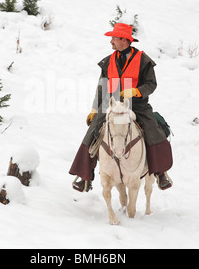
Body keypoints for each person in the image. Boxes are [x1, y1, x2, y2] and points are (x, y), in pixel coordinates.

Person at [69, 23, 173, 192]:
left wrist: (136, 91)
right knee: (92, 132)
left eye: (114, 38)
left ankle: (161, 173)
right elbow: (102, 87)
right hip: (111, 104)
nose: (111, 42)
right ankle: (85, 177)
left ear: (124, 40)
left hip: (138, 105)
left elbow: (151, 84)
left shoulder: (143, 60)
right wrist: (95, 109)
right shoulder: (108, 61)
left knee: (153, 130)